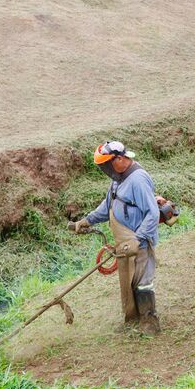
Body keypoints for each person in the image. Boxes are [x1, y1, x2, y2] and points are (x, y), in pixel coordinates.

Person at [73, 141, 161, 335]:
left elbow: (152, 214)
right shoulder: (118, 179)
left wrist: (138, 239)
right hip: (124, 242)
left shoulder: (138, 180)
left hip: (139, 240)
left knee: (142, 281)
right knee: (128, 281)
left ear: (120, 159)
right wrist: (87, 220)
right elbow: (108, 207)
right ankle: (132, 320)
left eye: (106, 165)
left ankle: (149, 323)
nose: (105, 170)